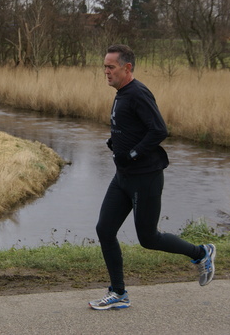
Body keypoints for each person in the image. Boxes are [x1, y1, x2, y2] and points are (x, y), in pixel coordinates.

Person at [89, 44, 216, 311]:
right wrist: (116, 141)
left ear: (127, 68)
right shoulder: (122, 93)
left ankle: (201, 253)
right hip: (123, 177)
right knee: (104, 229)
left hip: (144, 177)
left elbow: (159, 130)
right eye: (105, 66)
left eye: (111, 67)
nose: (106, 71)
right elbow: (134, 127)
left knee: (148, 239)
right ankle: (119, 292)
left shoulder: (137, 93)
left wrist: (132, 153)